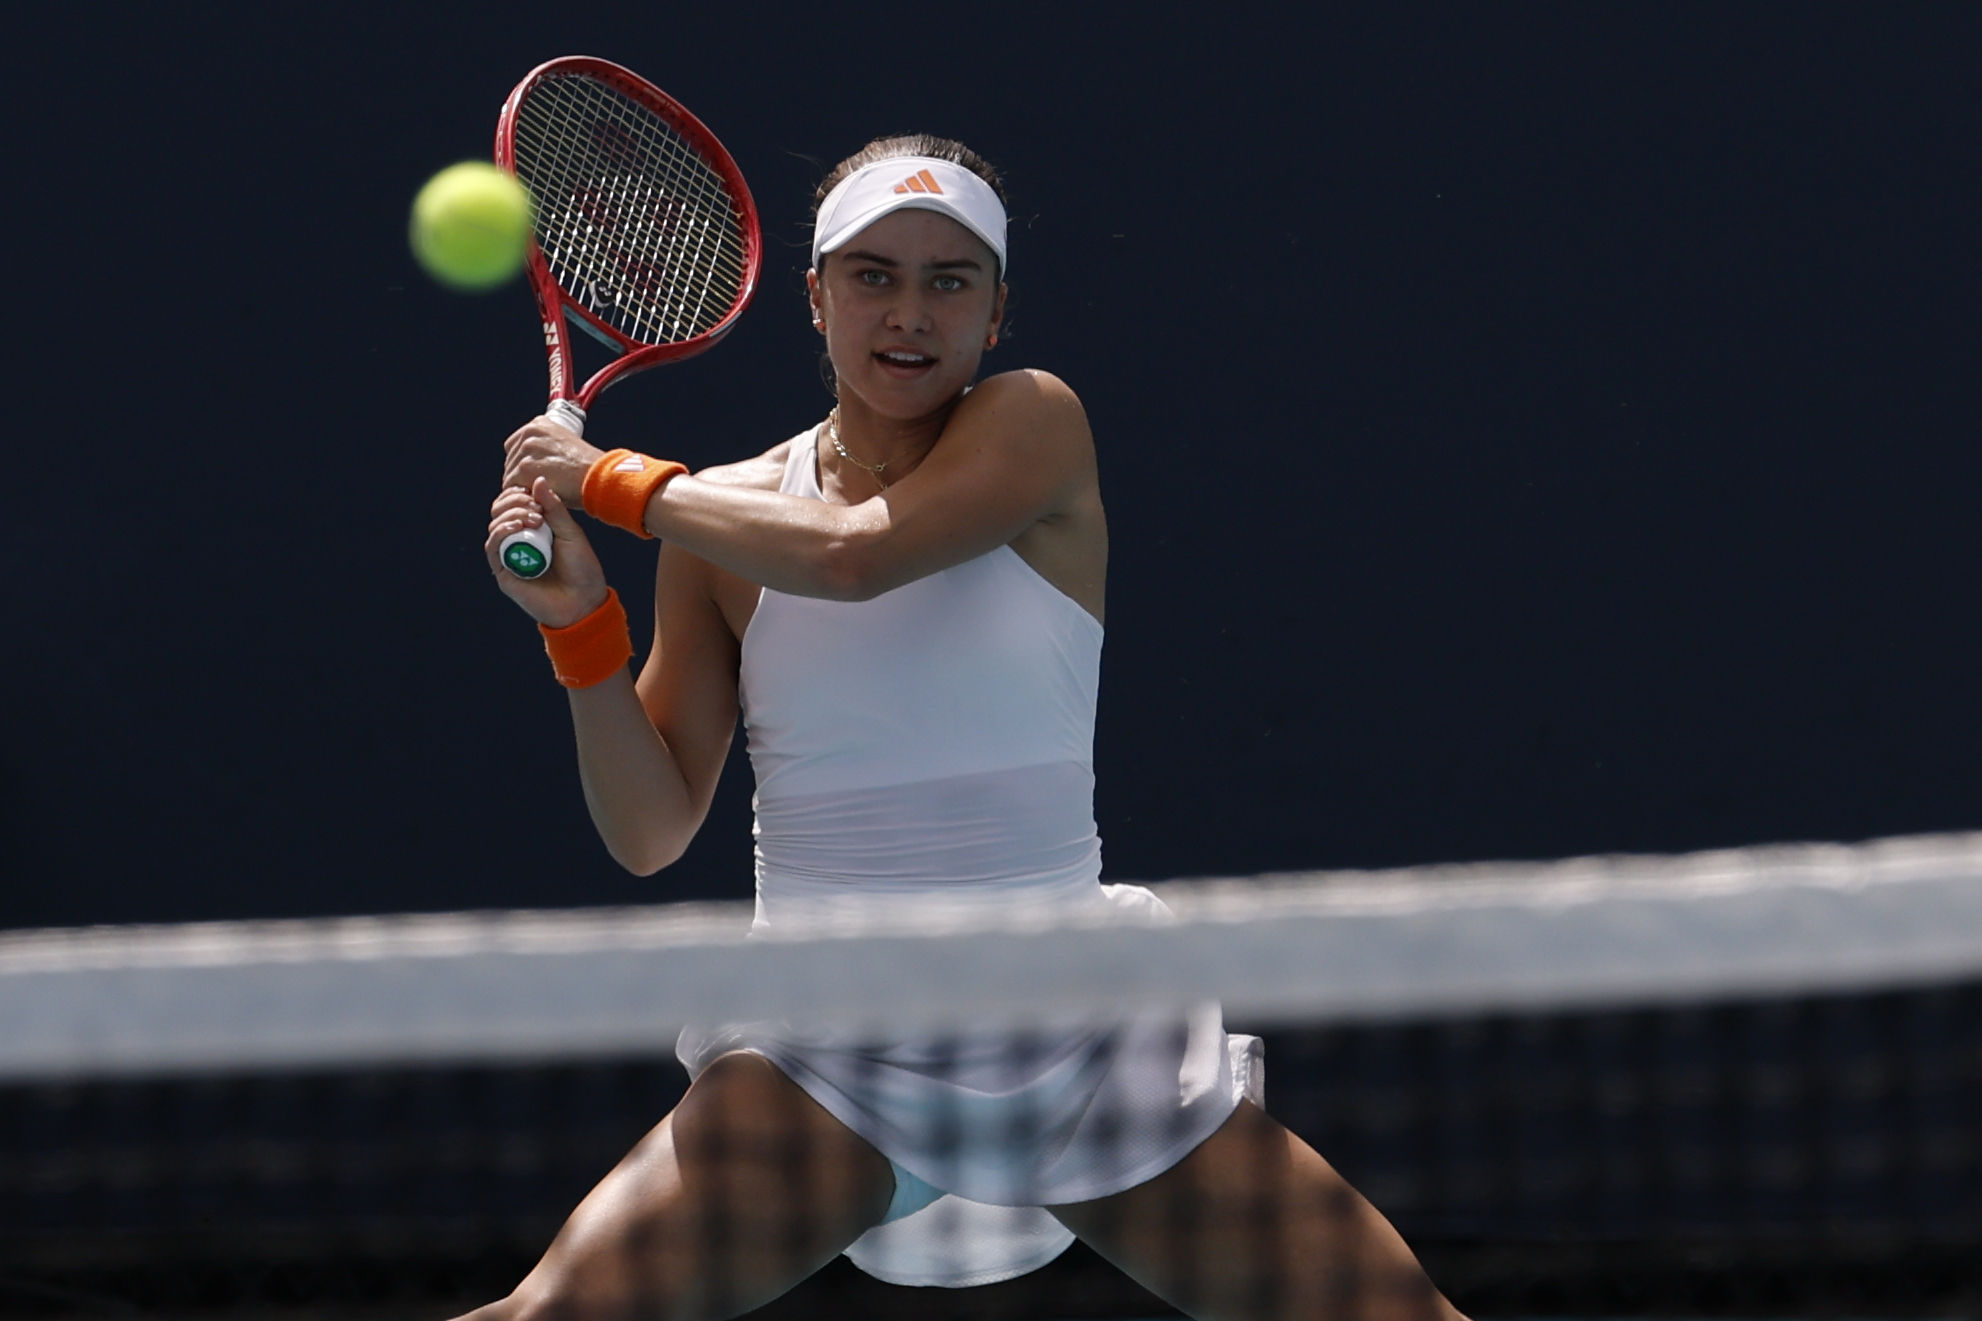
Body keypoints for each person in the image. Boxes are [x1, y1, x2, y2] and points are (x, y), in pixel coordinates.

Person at [472, 135, 1464, 1321]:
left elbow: (857, 557)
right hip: (824, 1060)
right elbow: (648, 830)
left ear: (996, 314)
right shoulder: (714, 529)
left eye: (951, 279)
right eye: (873, 273)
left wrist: (613, 482)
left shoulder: (1034, 424)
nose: (909, 311)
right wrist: (581, 628)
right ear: (816, 295)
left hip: (1075, 1040)